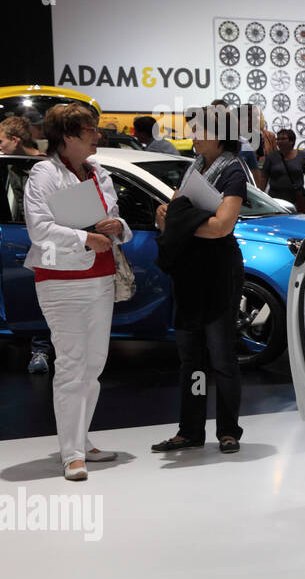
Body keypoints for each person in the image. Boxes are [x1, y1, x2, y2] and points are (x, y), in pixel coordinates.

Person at [23, 104, 131, 479]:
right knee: (71, 364)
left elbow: (115, 220)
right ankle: (70, 454)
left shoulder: (97, 172)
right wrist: (86, 237)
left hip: (100, 279)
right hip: (61, 280)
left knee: (93, 365)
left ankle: (81, 440)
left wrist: (118, 226)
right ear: (68, 136)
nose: (97, 136)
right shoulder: (44, 173)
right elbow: (39, 229)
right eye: (90, 131)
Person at [151, 105, 250, 454]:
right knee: (190, 358)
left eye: (198, 130)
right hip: (191, 271)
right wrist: (174, 216)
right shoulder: (195, 167)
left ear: (218, 134)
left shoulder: (234, 170)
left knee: (222, 356)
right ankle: (190, 429)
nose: (193, 136)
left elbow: (223, 227)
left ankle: (228, 430)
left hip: (219, 271)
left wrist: (181, 221)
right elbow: (171, 213)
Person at [1, 116, 55, 373]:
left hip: (44, 241)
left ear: (15, 140)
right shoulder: (11, 166)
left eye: (2, 142)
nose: (0, 147)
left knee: (40, 298)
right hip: (17, 238)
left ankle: (40, 350)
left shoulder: (44, 166)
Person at [259, 128, 305, 213]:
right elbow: (264, 177)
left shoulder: (301, 156)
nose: (279, 141)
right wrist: (260, 196)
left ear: (291, 141)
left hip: (296, 199)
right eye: (278, 139)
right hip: (275, 199)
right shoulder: (271, 157)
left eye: (283, 139)